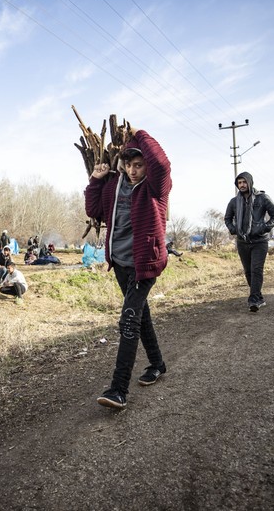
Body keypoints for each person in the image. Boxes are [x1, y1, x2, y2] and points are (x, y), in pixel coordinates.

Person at [85, 125, 171, 410]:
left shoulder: (155, 188)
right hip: (120, 262)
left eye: (139, 165)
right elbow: (93, 211)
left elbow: (162, 164)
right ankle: (157, 364)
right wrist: (95, 181)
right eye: (129, 165)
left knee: (129, 320)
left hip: (144, 263)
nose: (133, 170)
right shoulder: (114, 184)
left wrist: (140, 133)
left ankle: (118, 389)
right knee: (140, 315)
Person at [225, 171, 274, 311]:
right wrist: (234, 229)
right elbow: (227, 219)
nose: (242, 185)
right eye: (239, 183)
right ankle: (258, 296)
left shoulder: (262, 198)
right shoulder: (234, 202)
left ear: (250, 182)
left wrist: (264, 228)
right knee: (248, 271)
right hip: (242, 241)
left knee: (256, 269)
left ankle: (254, 300)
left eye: (244, 182)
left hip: (259, 241)